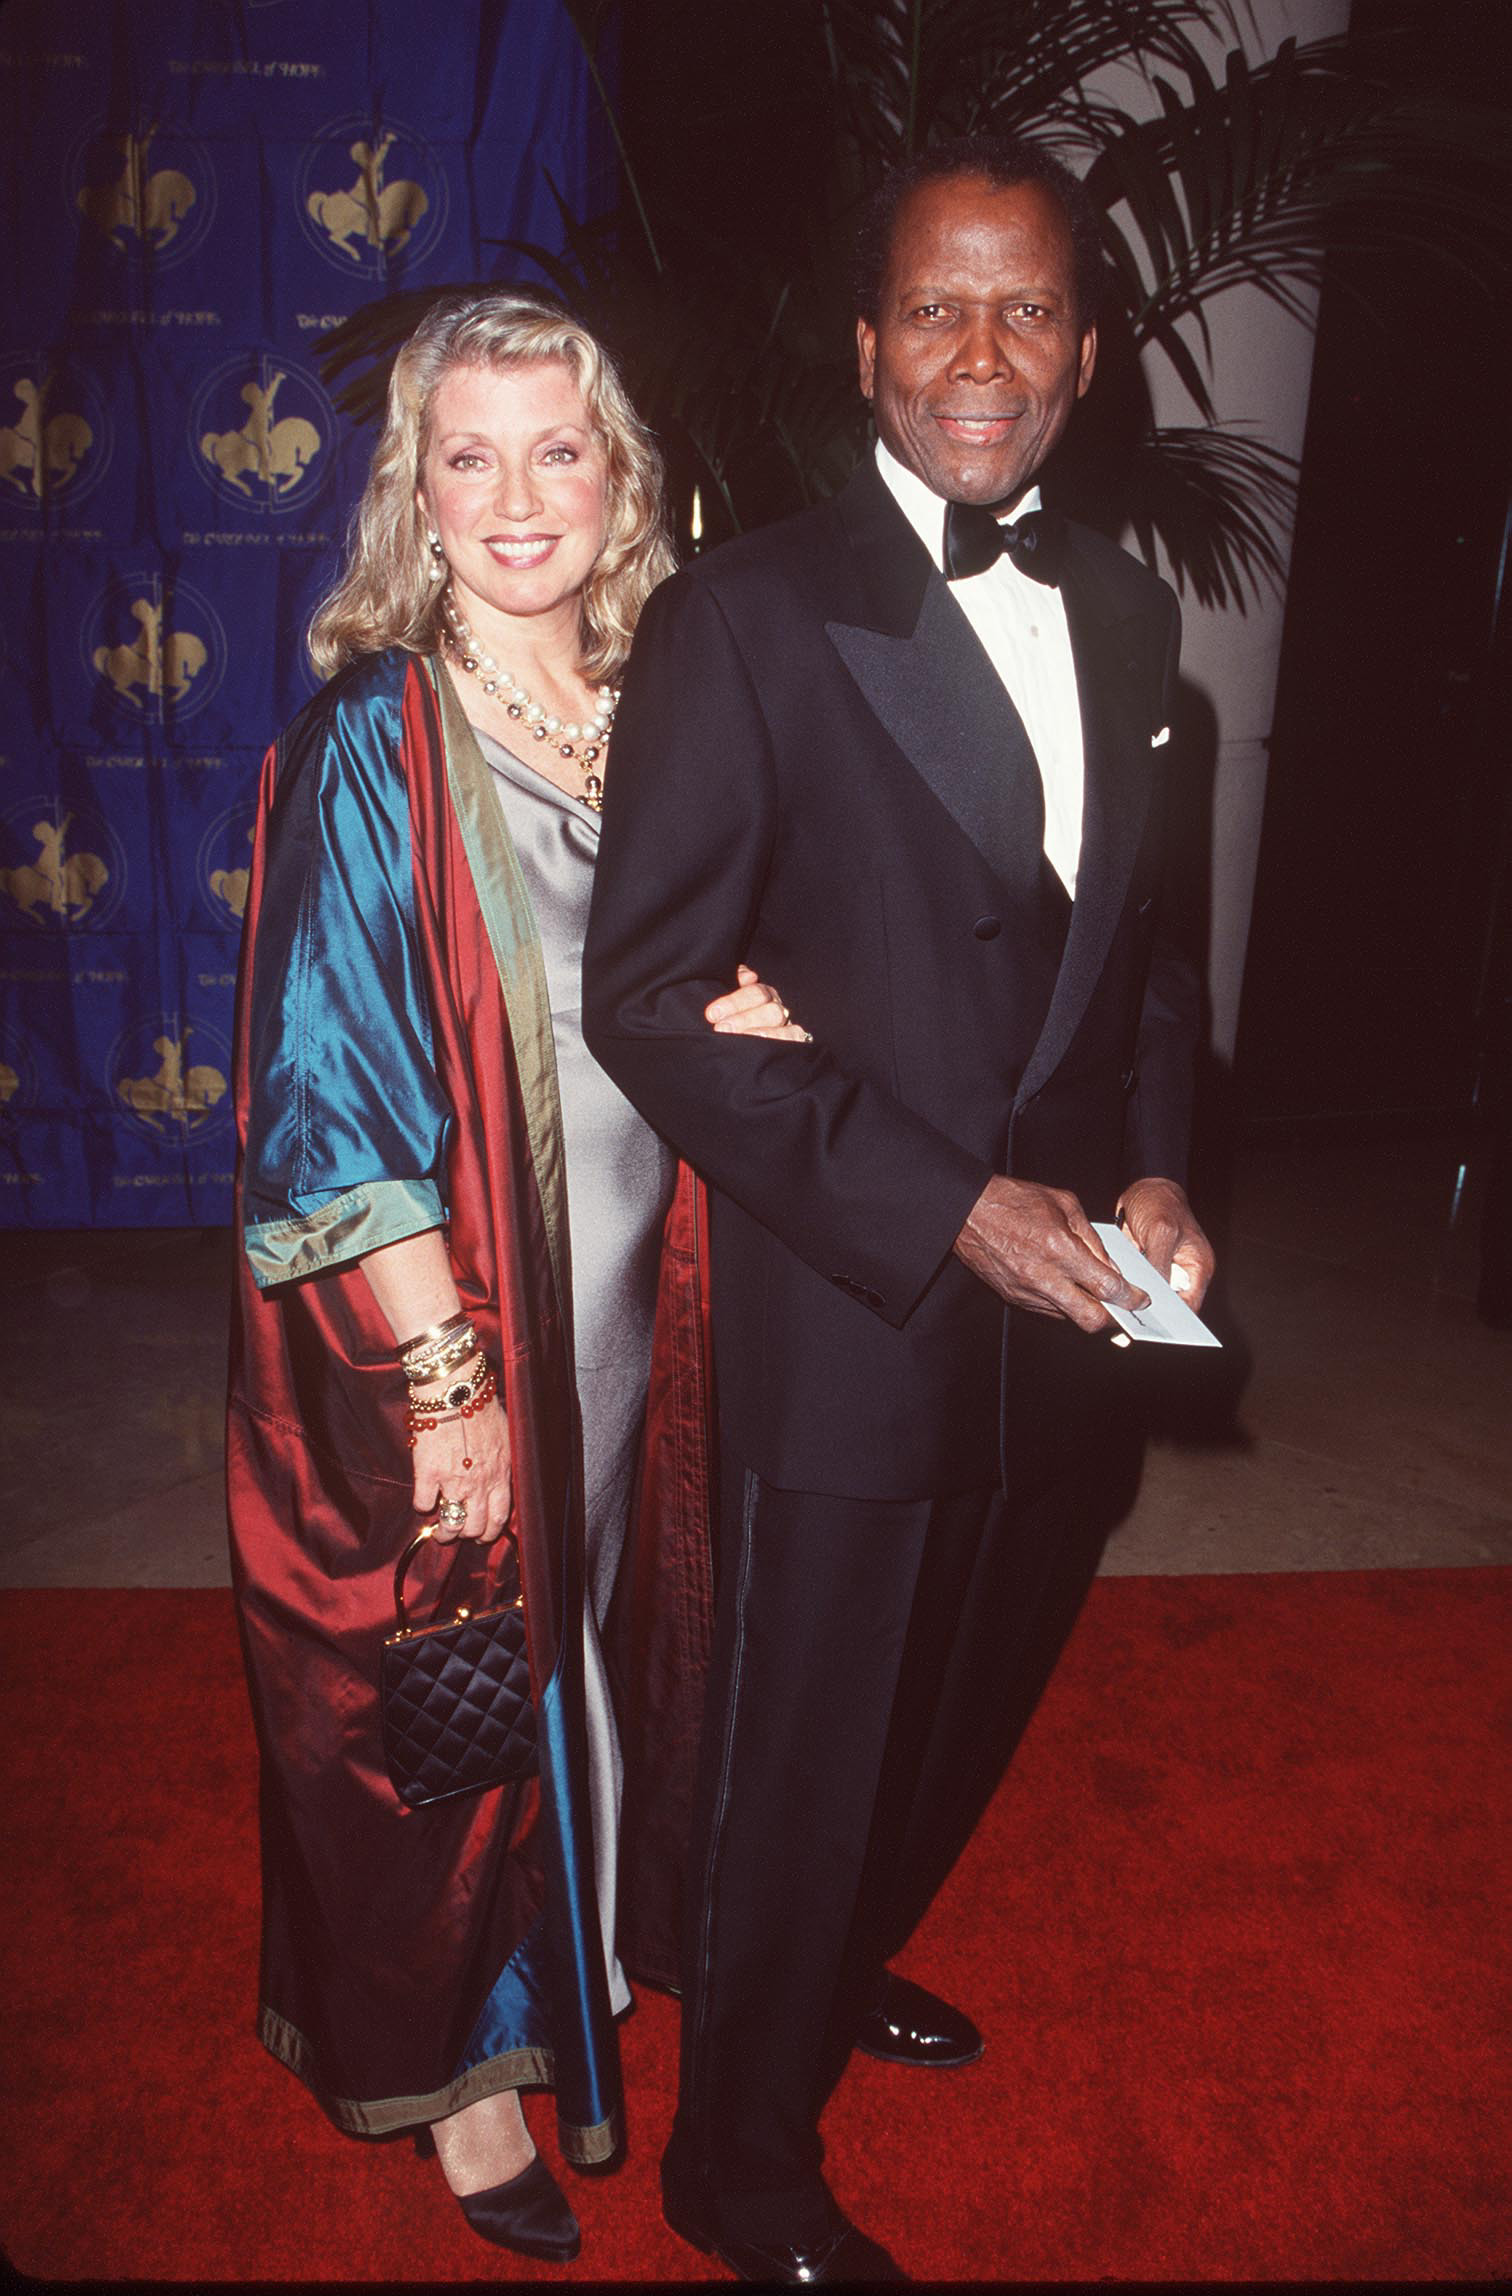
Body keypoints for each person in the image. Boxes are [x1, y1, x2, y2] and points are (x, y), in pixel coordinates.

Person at [583, 136, 1216, 2283]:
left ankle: (846, 1951)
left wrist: (1154, 1170)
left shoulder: (1134, 610)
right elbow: (651, 994)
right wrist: (951, 1206)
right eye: (935, 307)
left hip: (1078, 1311)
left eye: (1025, 306)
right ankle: (737, 2151)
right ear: (866, 348)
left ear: (1087, 350)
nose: (981, 350)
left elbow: (1145, 965)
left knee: (964, 1694)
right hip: (857, 1285)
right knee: (817, 1727)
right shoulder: (741, 612)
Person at [225, 290, 803, 2267]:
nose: (519, 493)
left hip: (637, 1291)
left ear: (622, 472)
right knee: (447, 1686)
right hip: (447, 1321)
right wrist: (449, 1378)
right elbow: (327, 1097)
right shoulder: (375, 738)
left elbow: (700, 976)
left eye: (559, 446)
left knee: (588, 1638)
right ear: (419, 492)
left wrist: (765, 1003)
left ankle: (568, 1959)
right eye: (468, 454)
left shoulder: (665, 700)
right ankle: (462, 2074)